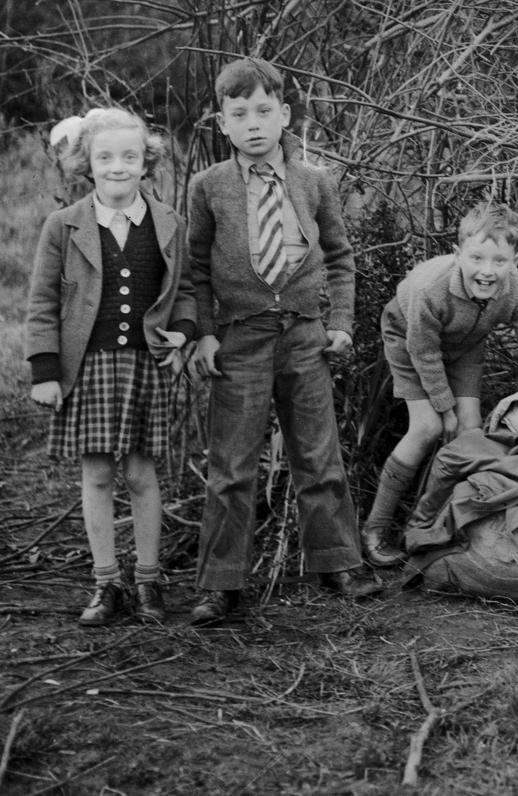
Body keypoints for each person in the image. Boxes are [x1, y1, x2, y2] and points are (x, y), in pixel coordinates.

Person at [185, 57, 378, 625]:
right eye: (238, 113)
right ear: (222, 124)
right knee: (232, 465)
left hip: (304, 336)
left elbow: (340, 258)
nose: (252, 124)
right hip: (240, 340)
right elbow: (196, 269)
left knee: (319, 455)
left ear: (284, 114)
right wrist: (204, 334)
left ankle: (338, 562)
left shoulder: (313, 182)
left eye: (264, 111)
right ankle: (221, 584)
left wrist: (339, 320)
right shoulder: (209, 187)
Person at [25, 108, 196, 625]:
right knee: (97, 475)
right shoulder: (63, 225)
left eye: (129, 156)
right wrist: (45, 372)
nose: (117, 166)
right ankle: (106, 584)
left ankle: (147, 582)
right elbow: (42, 302)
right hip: (89, 369)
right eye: (105, 157)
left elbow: (185, 292)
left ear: (147, 162)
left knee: (143, 475)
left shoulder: (169, 222)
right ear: (86, 163)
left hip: (144, 366)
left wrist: (183, 333)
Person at [360, 201, 518, 568]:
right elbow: (423, 350)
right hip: (408, 340)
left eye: (500, 261)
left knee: (470, 434)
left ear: (516, 261)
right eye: (477, 258)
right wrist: (444, 408)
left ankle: (441, 528)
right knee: (429, 427)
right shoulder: (430, 288)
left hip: (465, 345)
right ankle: (376, 528)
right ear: (458, 253)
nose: (487, 271)